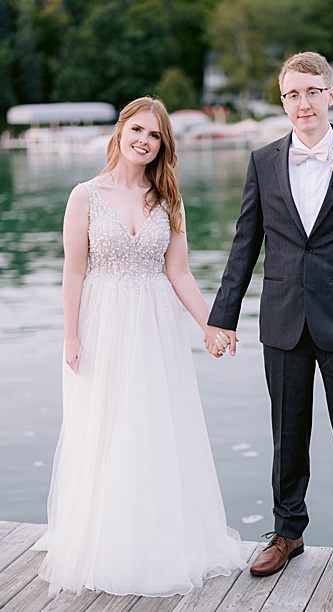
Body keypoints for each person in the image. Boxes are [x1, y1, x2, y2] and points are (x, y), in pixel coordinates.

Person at [35, 97, 246, 597]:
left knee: (153, 426)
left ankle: (158, 538)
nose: (144, 141)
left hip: (154, 330)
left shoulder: (168, 200)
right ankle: (107, 541)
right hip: (102, 324)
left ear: (162, 145)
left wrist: (211, 325)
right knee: (105, 427)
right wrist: (70, 334)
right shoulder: (84, 196)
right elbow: (74, 271)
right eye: (137, 130)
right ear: (120, 131)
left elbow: (179, 272)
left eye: (154, 136)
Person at [206, 51, 333, 584]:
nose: (303, 103)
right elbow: (245, 245)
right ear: (283, 100)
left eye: (312, 92)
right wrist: (223, 317)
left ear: (330, 95)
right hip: (283, 319)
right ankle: (287, 531)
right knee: (287, 432)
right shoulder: (263, 161)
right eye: (292, 94)